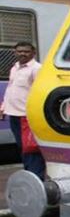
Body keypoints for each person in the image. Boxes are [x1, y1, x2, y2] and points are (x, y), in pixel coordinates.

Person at [1, 41, 45, 179]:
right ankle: (29, 175)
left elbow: (39, 91)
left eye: (26, 51)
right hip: (13, 114)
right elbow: (10, 88)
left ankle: (36, 177)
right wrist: (3, 107)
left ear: (33, 53)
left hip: (26, 115)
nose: (22, 54)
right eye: (19, 51)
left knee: (31, 148)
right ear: (15, 52)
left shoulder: (36, 69)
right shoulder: (15, 67)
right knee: (23, 147)